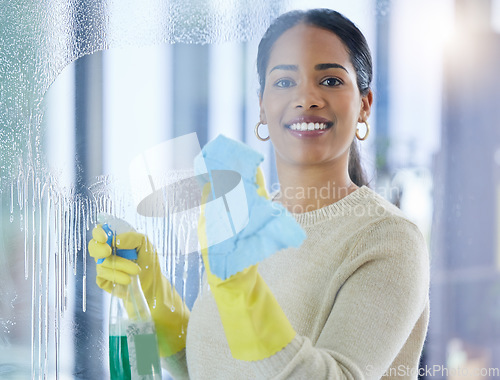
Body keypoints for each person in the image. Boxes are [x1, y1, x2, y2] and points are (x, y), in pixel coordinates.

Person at [89, 8, 429, 379]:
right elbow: (216, 368)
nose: (307, 98)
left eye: (330, 81)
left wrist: (241, 293)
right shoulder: (243, 224)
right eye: (284, 82)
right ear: (262, 107)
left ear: (364, 105)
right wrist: (151, 292)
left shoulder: (390, 240)